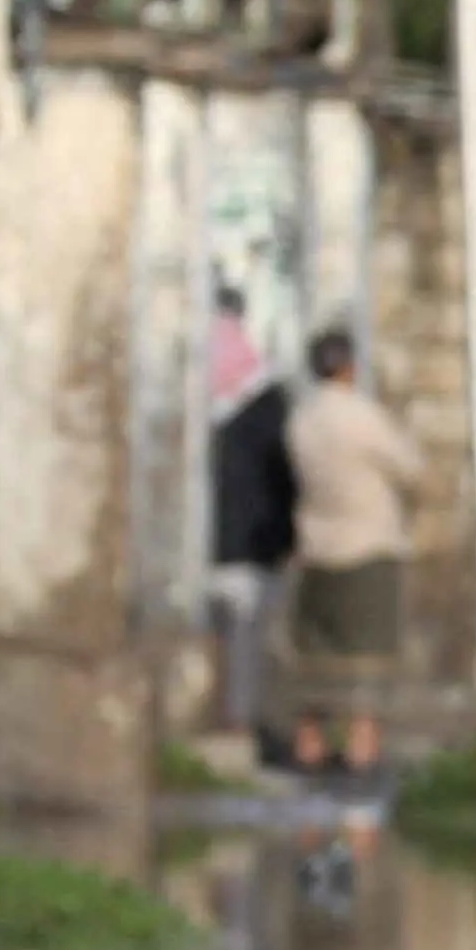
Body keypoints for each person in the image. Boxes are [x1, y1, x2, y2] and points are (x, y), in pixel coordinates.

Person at [280, 326, 424, 776]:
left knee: (316, 652)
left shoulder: (302, 419)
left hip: (318, 544)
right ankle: (363, 747)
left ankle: (310, 742)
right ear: (349, 366)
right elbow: (411, 468)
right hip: (367, 543)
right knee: (368, 652)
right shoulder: (361, 416)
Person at [203, 293, 299, 768]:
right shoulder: (267, 401)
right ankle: (239, 723)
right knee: (247, 641)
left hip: (212, 545)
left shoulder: (196, 397)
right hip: (252, 544)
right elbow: (283, 479)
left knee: (226, 635)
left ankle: (227, 719)